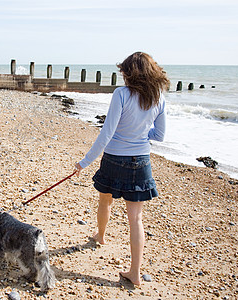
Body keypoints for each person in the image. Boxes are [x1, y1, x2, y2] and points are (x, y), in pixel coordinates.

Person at [74, 52, 170, 286]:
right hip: (141, 161)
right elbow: (160, 135)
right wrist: (139, 135)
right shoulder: (159, 97)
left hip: (115, 158)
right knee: (136, 218)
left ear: (131, 73)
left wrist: (84, 162)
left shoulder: (121, 94)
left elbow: (107, 133)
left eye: (124, 71)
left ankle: (101, 236)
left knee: (105, 201)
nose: (123, 75)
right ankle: (135, 273)